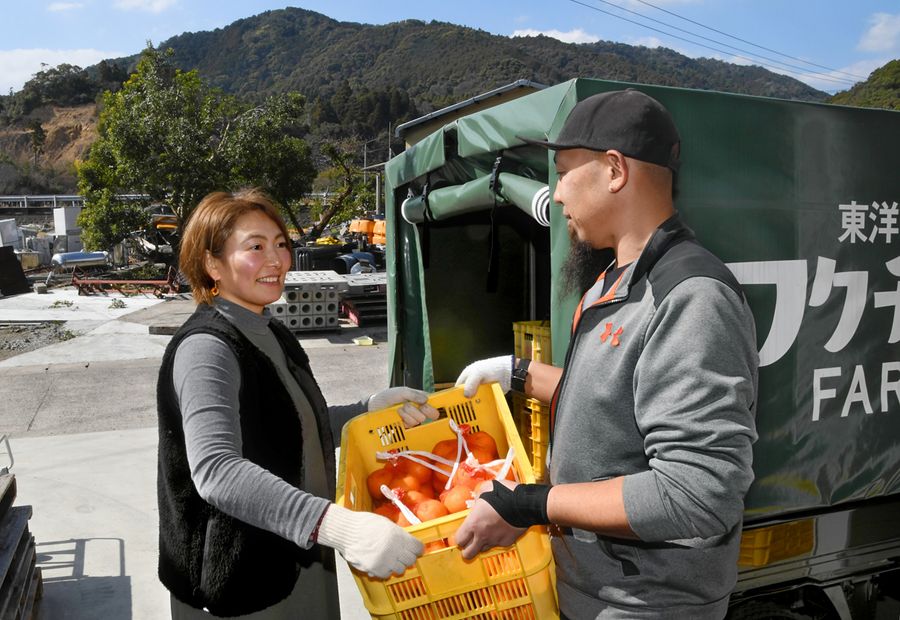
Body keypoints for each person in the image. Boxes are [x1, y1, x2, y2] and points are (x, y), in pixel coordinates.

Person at [451, 90, 759, 619]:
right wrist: (517, 373)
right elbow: (610, 400)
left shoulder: (691, 296)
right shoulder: (611, 282)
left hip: (646, 603)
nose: (556, 194)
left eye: (563, 173)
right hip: (591, 588)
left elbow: (697, 493)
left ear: (615, 171)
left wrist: (530, 503)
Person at [157, 189, 439, 619]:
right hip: (238, 580)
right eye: (255, 247)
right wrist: (334, 524)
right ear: (213, 264)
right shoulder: (206, 349)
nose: (276, 260)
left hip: (293, 553)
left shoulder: (270, 330)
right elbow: (216, 470)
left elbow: (290, 427)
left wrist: (369, 410)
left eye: (281, 244)